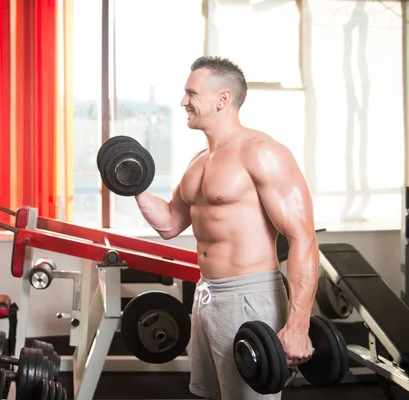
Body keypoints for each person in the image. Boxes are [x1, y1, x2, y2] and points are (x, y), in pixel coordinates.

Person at [133, 56, 319, 399]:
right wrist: (133, 185)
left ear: (223, 99)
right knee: (211, 394)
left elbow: (302, 237)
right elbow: (171, 223)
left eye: (192, 93)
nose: (183, 101)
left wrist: (298, 324)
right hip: (206, 295)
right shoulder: (198, 162)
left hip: (249, 296)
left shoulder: (261, 153)